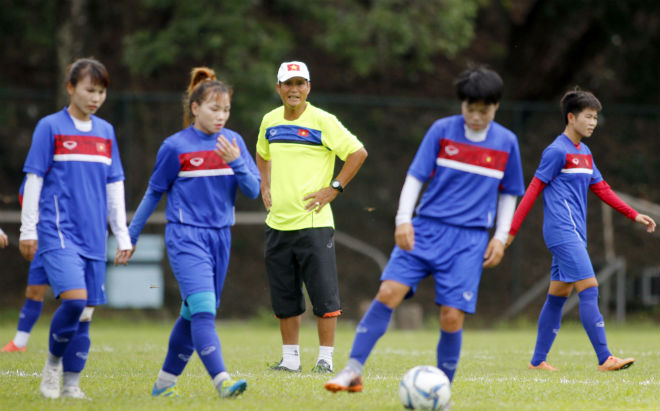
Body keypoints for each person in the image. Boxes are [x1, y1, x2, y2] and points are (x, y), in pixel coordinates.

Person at [325, 66, 525, 393]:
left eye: (483, 110)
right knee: (388, 293)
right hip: (425, 230)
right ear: (461, 104)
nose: (475, 116)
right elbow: (415, 177)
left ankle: (441, 389)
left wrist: (500, 238)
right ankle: (352, 371)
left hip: (469, 240)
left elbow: (509, 194)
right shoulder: (442, 131)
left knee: (451, 316)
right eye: (469, 109)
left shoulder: (507, 142)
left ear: (496, 106)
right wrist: (403, 219)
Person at [128, 67, 259, 398]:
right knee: (203, 309)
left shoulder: (234, 143)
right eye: (215, 109)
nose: (221, 116)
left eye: (226, 110)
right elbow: (153, 193)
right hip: (186, 237)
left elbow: (254, 191)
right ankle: (223, 381)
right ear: (195, 107)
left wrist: (236, 161)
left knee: (192, 314)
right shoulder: (174, 147)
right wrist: (130, 235)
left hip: (221, 238)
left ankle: (163, 385)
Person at [506, 89, 656, 372]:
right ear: (571, 117)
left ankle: (537, 362)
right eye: (588, 116)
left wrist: (634, 214)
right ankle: (605, 358)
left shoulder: (584, 152)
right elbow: (532, 191)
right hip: (561, 232)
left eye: (596, 117)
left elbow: (602, 189)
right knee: (590, 289)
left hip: (575, 232)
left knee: (558, 295)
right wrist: (511, 230)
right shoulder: (556, 151)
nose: (593, 122)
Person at [19, 58, 132, 399]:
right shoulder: (50, 127)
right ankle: (52, 367)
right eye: (89, 90)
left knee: (85, 314)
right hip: (58, 232)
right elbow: (34, 179)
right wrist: (28, 229)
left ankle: (71, 385)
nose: (95, 97)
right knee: (74, 300)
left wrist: (122, 234)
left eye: (101, 91)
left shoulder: (106, 132)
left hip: (94, 237)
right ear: (71, 88)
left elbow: (115, 187)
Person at [256, 61, 368, 374]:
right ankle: (291, 359)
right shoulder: (269, 121)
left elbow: (357, 153)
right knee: (284, 296)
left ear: (308, 87)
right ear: (278, 88)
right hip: (277, 223)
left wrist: (334, 188)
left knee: (324, 295)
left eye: (300, 84)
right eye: (288, 84)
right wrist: (264, 183)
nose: (294, 90)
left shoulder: (323, 120)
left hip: (314, 225)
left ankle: (325, 359)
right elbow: (262, 153)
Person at [2, 179, 49, 354]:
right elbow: (25, 193)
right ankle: (19, 343)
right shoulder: (36, 173)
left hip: (70, 237)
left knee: (76, 294)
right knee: (34, 290)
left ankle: (77, 337)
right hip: (44, 237)